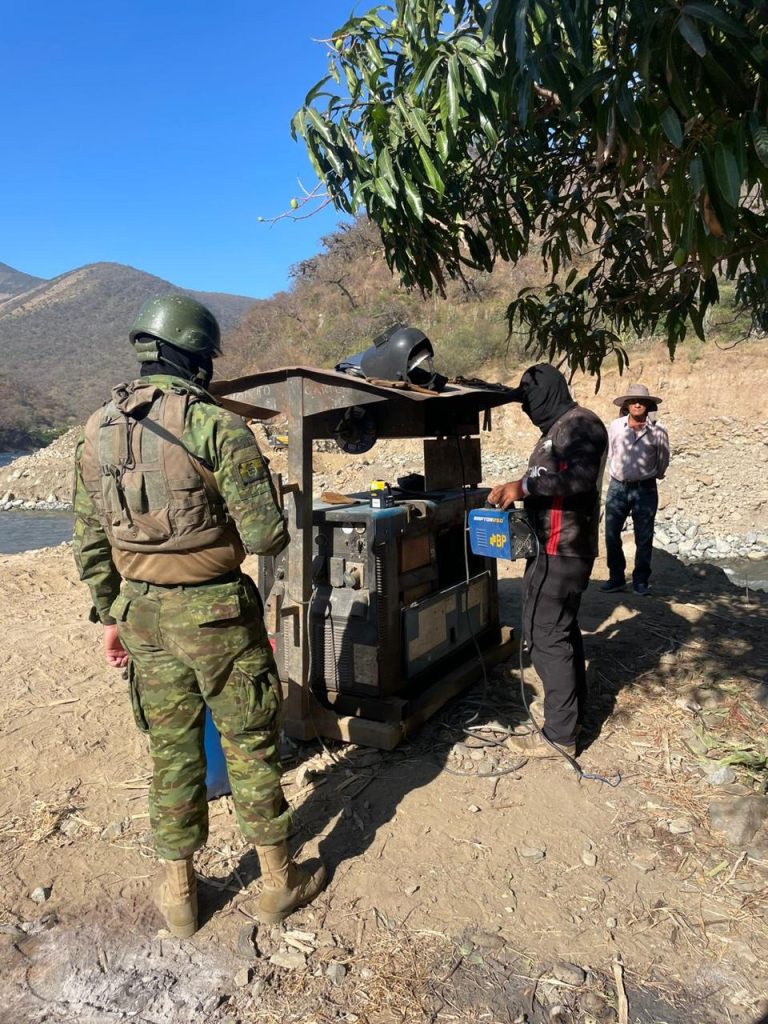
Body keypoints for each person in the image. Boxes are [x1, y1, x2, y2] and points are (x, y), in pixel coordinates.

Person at [72, 294, 326, 937]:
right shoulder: (215, 426)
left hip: (142, 618)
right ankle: (277, 882)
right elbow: (267, 538)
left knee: (172, 753)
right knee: (248, 744)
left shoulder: (94, 432)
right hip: (216, 612)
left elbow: (90, 541)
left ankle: (180, 897)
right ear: (196, 356)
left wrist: (111, 615)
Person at [489, 364, 607, 757]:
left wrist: (520, 487)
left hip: (563, 549)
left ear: (551, 392)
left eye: (531, 400)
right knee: (561, 631)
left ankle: (559, 736)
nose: (528, 409)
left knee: (545, 637)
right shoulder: (554, 430)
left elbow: (580, 479)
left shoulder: (582, 424)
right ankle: (571, 716)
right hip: (548, 547)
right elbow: (549, 483)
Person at [601, 383, 669, 596]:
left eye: (642, 401)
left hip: (645, 489)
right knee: (611, 533)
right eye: (633, 401)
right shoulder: (615, 426)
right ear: (627, 405)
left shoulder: (658, 431)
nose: (637, 404)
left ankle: (640, 581)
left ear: (648, 406)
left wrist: (650, 475)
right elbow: (610, 453)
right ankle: (617, 578)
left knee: (644, 536)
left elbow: (663, 460)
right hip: (617, 487)